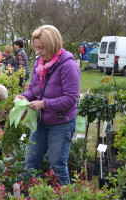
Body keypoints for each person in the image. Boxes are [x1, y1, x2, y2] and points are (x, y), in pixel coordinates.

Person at [16, 25, 80, 185]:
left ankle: (64, 196)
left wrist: (44, 104)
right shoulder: (39, 62)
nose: (38, 52)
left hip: (61, 123)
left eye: (42, 48)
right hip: (40, 122)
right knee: (31, 163)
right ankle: (31, 194)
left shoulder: (68, 65)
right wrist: (24, 97)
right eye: (36, 48)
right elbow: (32, 89)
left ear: (53, 44)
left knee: (57, 166)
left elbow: (71, 99)